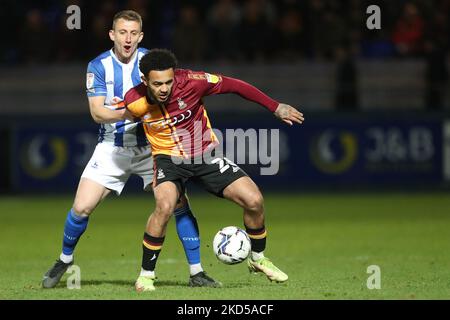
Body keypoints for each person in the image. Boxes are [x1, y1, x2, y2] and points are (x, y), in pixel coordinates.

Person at [42, 10, 219, 289]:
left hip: (152, 148)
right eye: (122, 32)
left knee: (177, 204)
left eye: (133, 33)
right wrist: (130, 111)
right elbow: (97, 113)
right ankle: (64, 260)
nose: (128, 39)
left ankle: (197, 271)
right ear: (112, 35)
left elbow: (173, 96)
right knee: (81, 207)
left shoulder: (151, 63)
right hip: (112, 148)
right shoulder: (98, 66)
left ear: (141, 36)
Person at [124, 48, 304, 291]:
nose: (165, 88)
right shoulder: (134, 101)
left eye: (168, 81)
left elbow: (235, 85)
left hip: (205, 155)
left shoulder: (192, 82)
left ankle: (258, 259)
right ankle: (146, 275)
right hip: (168, 160)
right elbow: (114, 116)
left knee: (254, 200)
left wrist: (274, 107)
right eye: (157, 84)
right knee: (164, 206)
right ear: (145, 80)